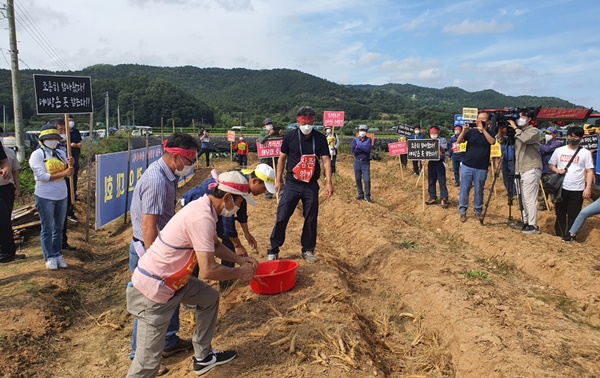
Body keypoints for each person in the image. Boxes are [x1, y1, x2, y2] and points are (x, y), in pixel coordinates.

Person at [126, 171, 258, 377]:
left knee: (209, 298)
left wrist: (240, 260)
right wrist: (241, 272)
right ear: (227, 198)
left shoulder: (206, 208)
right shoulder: (201, 217)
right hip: (154, 291)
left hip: (175, 281)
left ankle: (203, 357)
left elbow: (214, 245)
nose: (239, 208)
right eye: (239, 202)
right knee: (147, 365)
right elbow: (208, 270)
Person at [128, 132, 199, 374]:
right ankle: (142, 358)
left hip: (162, 247)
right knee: (150, 308)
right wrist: (154, 261)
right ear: (177, 158)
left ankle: (168, 341)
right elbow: (149, 225)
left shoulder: (168, 175)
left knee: (171, 295)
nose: (190, 167)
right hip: (150, 250)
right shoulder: (157, 180)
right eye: (190, 162)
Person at [180, 164, 276, 291]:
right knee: (198, 250)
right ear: (255, 181)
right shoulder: (234, 186)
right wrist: (237, 245)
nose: (263, 192)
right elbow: (228, 221)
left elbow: (241, 210)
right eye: (264, 188)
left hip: (213, 210)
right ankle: (189, 288)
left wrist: (246, 234)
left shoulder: (243, 183)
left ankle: (226, 283)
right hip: (193, 205)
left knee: (225, 241)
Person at [267, 106, 333, 263]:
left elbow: (325, 160)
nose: (307, 126)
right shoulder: (289, 137)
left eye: (310, 123)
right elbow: (282, 158)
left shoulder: (320, 138)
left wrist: (328, 182)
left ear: (314, 121)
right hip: (292, 183)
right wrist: (278, 180)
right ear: (298, 122)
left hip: (311, 185)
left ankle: (308, 250)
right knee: (282, 215)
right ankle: (274, 249)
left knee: (311, 218)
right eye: (304, 123)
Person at [28, 124, 74, 270]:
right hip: (45, 196)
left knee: (59, 228)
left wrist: (71, 166)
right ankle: (49, 256)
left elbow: (69, 172)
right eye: (50, 138)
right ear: (43, 140)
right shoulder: (37, 155)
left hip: (61, 195)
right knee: (47, 228)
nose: (53, 141)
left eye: (56, 138)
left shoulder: (61, 153)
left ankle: (57, 253)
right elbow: (41, 176)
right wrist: (64, 174)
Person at [548, 126, 595, 240]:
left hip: (577, 189)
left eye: (575, 136)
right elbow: (551, 165)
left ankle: (570, 236)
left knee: (574, 214)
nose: (572, 138)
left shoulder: (585, 153)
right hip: (561, 188)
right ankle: (559, 236)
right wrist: (557, 170)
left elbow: (589, 171)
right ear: (567, 136)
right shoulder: (559, 151)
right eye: (570, 136)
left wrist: (588, 187)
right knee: (560, 213)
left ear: (580, 138)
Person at [507, 109, 543, 234]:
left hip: (531, 168)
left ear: (529, 119)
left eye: (522, 116)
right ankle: (525, 221)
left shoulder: (533, 131)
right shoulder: (519, 132)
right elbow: (504, 141)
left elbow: (525, 139)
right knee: (522, 197)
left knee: (529, 198)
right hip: (520, 168)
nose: (519, 118)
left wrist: (515, 128)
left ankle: (533, 225)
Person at [457, 112, 496, 222]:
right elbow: (459, 141)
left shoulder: (490, 133)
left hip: (482, 167)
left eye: (483, 119)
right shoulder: (470, 132)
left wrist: (483, 130)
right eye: (479, 119)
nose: (480, 121)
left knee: (479, 190)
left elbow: (492, 142)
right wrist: (464, 130)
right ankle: (462, 211)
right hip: (467, 165)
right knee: (464, 188)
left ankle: (478, 211)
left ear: (487, 122)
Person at [0, 132, 25, 263]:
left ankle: (7, 252)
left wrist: (6, 168)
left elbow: (8, 164)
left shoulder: (8, 152)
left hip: (6, 187)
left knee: (4, 219)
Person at [55, 120, 77, 251]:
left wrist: (71, 164)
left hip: (64, 187)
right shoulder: (42, 152)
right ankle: (54, 248)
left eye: (64, 130)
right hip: (50, 191)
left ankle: (63, 242)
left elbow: (70, 170)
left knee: (62, 217)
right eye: (60, 130)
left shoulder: (64, 150)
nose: (62, 133)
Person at [258, 118, 284, 199]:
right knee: (267, 176)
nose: (269, 125)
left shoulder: (276, 133)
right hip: (266, 159)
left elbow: (284, 141)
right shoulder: (262, 133)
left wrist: (282, 135)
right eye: (267, 124)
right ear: (264, 126)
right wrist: (269, 135)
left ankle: (280, 192)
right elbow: (261, 141)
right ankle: (268, 193)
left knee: (278, 174)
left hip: (276, 158)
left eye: (270, 124)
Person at [425, 126, 449, 208]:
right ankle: (432, 197)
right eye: (431, 133)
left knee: (442, 181)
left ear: (438, 133)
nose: (433, 134)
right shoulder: (427, 141)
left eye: (434, 133)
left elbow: (444, 150)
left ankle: (444, 198)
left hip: (439, 162)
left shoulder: (442, 140)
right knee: (431, 180)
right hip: (431, 162)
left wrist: (437, 144)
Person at [351, 125, 372, 202]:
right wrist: (362, 148)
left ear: (366, 131)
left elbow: (368, 149)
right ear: (359, 131)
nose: (362, 132)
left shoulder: (369, 140)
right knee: (358, 179)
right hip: (357, 161)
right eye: (361, 130)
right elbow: (353, 150)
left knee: (366, 179)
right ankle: (360, 194)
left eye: (364, 130)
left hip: (365, 162)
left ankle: (368, 196)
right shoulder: (355, 139)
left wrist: (358, 147)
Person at [68, 116, 83, 202]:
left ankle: (74, 193)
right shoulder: (64, 132)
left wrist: (79, 144)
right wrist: (70, 144)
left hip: (76, 154)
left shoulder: (76, 131)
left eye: (72, 121)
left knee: (75, 175)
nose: (71, 122)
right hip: (68, 155)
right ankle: (69, 195)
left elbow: (80, 140)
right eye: (69, 120)